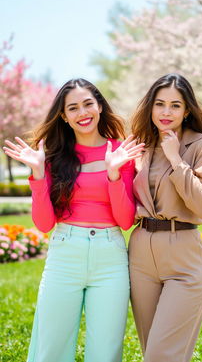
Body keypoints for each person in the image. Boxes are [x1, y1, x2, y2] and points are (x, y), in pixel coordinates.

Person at [3, 78, 144, 362]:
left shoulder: (121, 152)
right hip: (65, 254)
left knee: (105, 352)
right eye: (73, 108)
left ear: (100, 107)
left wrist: (114, 174)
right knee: (51, 350)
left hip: (110, 258)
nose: (83, 113)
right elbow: (44, 224)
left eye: (88, 104)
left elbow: (125, 220)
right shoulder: (54, 158)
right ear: (64, 117)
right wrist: (39, 173)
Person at [129, 73, 202, 362]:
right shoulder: (140, 147)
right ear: (150, 108)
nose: (166, 112)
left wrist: (176, 159)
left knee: (161, 355)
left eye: (175, 105)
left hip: (183, 252)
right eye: (159, 104)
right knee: (151, 349)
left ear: (187, 110)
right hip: (141, 255)